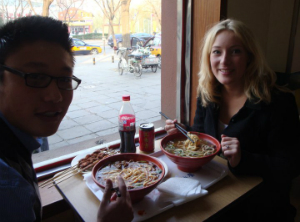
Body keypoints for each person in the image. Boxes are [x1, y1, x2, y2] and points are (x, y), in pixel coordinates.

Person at [0, 16, 133, 222]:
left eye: (63, 79)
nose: (55, 96)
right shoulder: (8, 186)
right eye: (35, 77)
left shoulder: (16, 144)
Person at [165, 19, 300, 221]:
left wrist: (243, 159)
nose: (224, 61)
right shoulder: (208, 94)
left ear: (250, 57)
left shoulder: (279, 102)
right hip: (216, 192)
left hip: (260, 206)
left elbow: (291, 165)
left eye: (235, 51)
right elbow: (202, 136)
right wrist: (184, 133)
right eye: (217, 52)